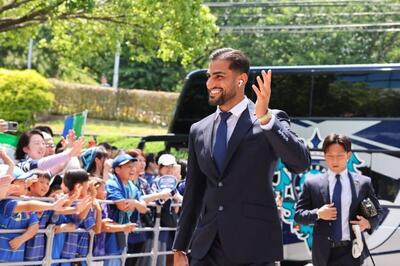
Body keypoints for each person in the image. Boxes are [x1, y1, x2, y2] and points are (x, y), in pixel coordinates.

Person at [172, 48, 310, 266]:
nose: (210, 83)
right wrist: (180, 246)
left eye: (219, 76)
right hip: (206, 248)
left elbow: (300, 162)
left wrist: (266, 119)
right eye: (209, 76)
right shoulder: (198, 129)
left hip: (254, 248)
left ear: (241, 80)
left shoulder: (269, 119)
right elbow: (194, 192)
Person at [294, 133, 382, 266]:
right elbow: (298, 215)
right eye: (330, 156)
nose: (334, 161)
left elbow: (378, 213)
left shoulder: (364, 183)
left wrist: (368, 223)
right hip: (323, 252)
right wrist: (318, 214)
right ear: (324, 156)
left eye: (339, 156)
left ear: (348, 155)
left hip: (351, 251)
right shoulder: (312, 184)